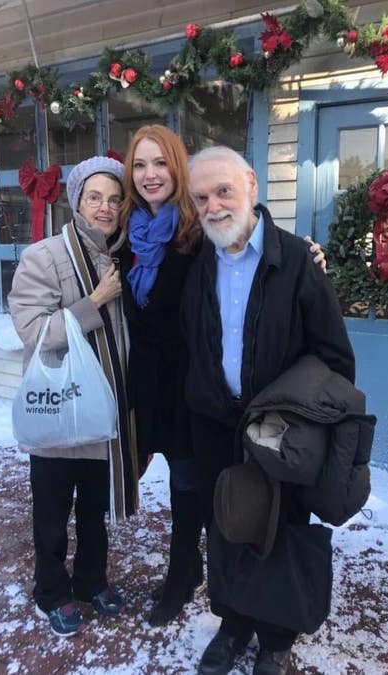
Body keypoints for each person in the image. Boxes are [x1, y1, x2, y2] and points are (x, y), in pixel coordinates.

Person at [114, 126, 328, 627]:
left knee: (202, 491)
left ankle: (188, 575)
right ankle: (203, 580)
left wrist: (305, 255)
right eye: (140, 165)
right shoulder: (127, 238)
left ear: (178, 169)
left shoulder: (198, 233)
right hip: (152, 387)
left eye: (161, 164)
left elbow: (253, 251)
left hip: (199, 388)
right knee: (183, 486)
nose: (150, 175)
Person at [179, 146, 355, 675]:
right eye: (201, 197)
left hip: (281, 433)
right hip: (215, 428)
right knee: (228, 526)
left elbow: (334, 358)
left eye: (223, 191)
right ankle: (233, 625)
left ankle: (276, 639)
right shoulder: (196, 262)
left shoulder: (298, 262)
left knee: (281, 529)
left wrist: (299, 423)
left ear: (252, 185)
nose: (212, 206)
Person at [7, 156, 140, 638]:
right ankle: (51, 591)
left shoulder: (124, 256)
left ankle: (89, 580)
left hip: (105, 410)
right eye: (94, 197)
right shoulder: (45, 256)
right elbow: (32, 330)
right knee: (52, 510)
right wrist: (94, 302)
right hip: (62, 410)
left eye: (113, 199)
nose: (104, 208)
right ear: (77, 201)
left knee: (93, 509)